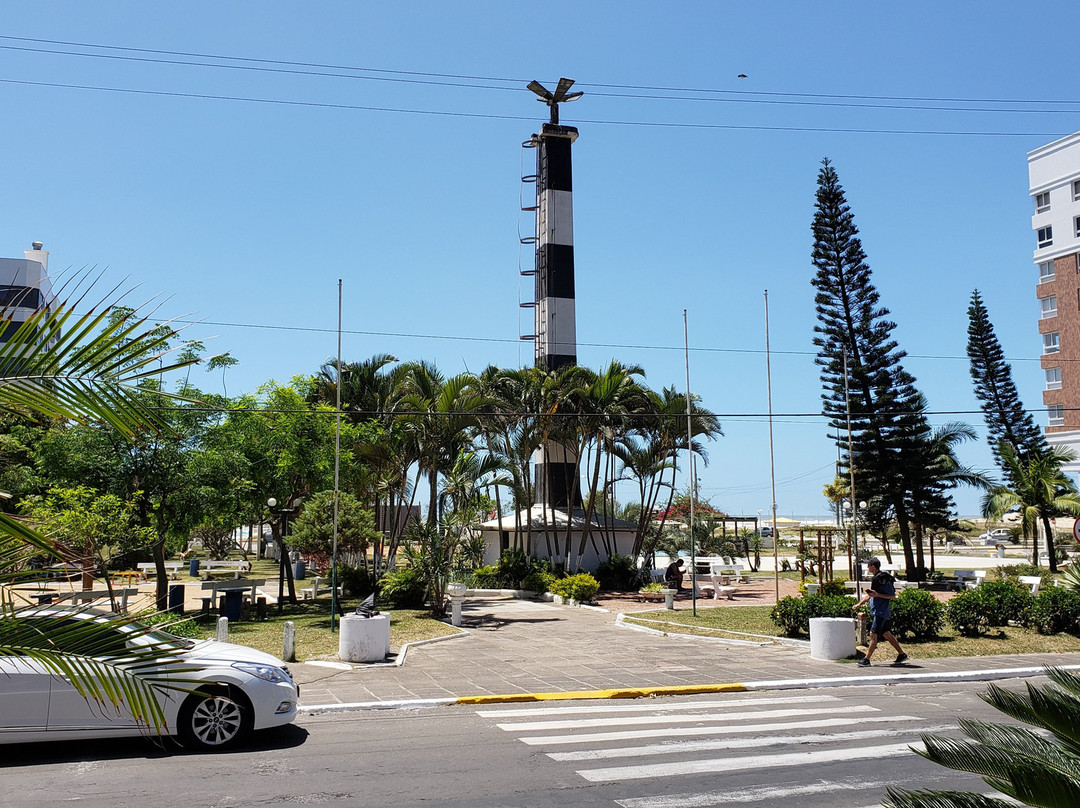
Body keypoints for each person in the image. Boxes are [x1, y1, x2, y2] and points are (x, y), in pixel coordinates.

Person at [852, 557, 909, 667]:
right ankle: (901, 654)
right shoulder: (877, 580)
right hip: (877, 611)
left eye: (868, 566)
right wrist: (859, 604)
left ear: (873, 566)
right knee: (886, 633)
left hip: (881, 612)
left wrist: (877, 595)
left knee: (873, 634)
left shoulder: (883, 580)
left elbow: (892, 596)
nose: (868, 568)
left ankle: (866, 659)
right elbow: (871, 595)